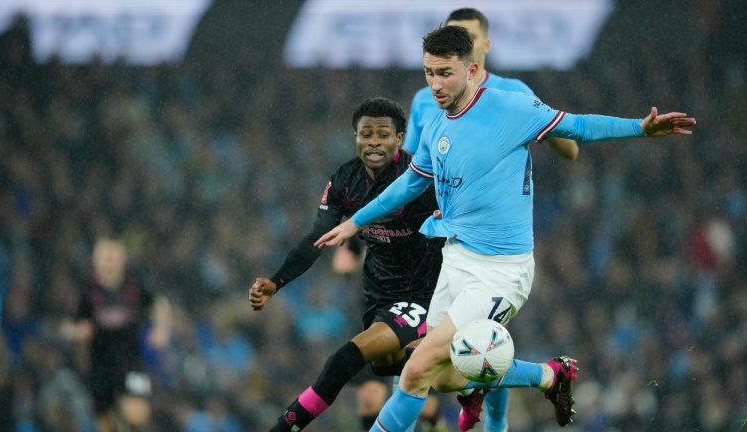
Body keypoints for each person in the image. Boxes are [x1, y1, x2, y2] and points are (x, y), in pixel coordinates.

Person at [314, 25, 696, 432]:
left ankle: (524, 380)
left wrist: (641, 127)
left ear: (472, 70)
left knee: (413, 372)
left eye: (445, 73)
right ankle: (548, 376)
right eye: (429, 73)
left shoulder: (510, 109)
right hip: (456, 259)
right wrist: (355, 221)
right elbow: (410, 183)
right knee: (435, 375)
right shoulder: (438, 126)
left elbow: (578, 126)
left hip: (500, 271)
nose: (435, 84)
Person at [405, 8, 579, 431]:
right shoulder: (427, 97)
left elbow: (570, 147)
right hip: (441, 237)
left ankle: (493, 418)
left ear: (483, 48)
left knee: (462, 348)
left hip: (492, 245)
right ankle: (523, 384)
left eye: (468, 37)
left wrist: (541, 129)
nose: (459, 44)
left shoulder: (511, 93)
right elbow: (412, 167)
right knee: (451, 358)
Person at [248, 97, 445, 432]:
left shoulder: (419, 177)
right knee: (396, 371)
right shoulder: (344, 180)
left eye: (383, 135)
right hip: (378, 296)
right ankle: (453, 392)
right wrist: (276, 282)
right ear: (355, 137)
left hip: (423, 293)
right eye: (365, 134)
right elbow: (317, 237)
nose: (373, 142)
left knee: (346, 362)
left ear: (399, 139)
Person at [405, 8, 579, 162]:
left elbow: (570, 151)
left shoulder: (514, 91)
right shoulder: (424, 99)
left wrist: (545, 123)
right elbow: (409, 162)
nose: (462, 45)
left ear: (487, 45)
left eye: (471, 38)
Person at [72, 237, 171, 432]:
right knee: (106, 421)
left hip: (130, 361)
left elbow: (160, 304)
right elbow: (73, 324)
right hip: (101, 365)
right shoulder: (87, 291)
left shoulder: (133, 286)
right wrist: (79, 336)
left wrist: (162, 329)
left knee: (138, 413)